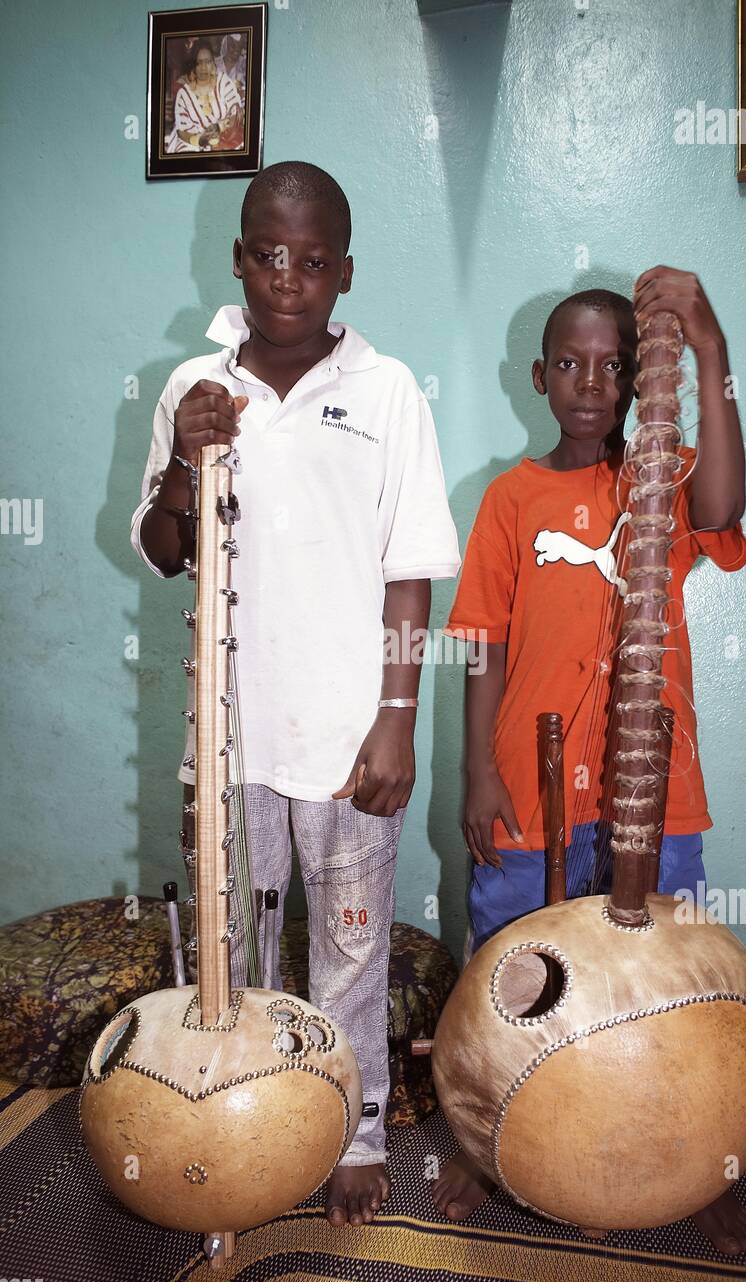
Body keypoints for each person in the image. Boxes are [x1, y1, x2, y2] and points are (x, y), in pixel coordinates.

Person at [131, 161, 461, 1226]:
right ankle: (249, 1109)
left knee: (352, 945)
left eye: (312, 260)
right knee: (238, 950)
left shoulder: (387, 390)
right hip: (227, 740)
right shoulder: (196, 387)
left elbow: (409, 565)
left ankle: (352, 1131)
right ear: (237, 259)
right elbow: (160, 546)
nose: (288, 278)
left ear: (345, 273)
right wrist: (188, 460)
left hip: (348, 737)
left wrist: (398, 718)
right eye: (268, 255)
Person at [435, 272, 746, 1257]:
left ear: (632, 383)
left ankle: (695, 1150)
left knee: (663, 975)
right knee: (513, 975)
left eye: (610, 367)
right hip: (526, 794)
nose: (588, 383)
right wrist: (473, 774)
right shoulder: (508, 497)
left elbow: (726, 499)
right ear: (537, 377)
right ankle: (486, 1143)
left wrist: (708, 349)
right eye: (568, 364)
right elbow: (480, 645)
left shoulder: (656, 484)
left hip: (651, 795)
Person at [166, 40, 244, 153]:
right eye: (199, 62)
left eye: (208, 62)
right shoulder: (184, 94)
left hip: (225, 140)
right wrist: (199, 140)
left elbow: (236, 112)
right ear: (193, 65)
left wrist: (220, 128)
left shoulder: (223, 82)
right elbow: (182, 132)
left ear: (213, 63)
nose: (204, 67)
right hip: (191, 144)